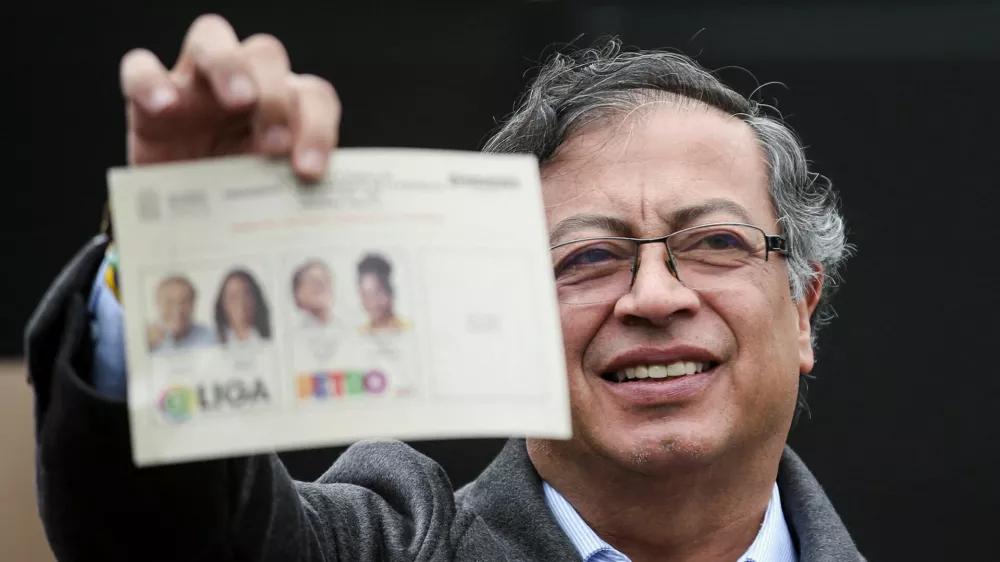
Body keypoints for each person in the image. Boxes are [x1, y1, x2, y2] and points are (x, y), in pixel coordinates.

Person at [25, 14, 864, 562]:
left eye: (713, 243)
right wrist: (178, 261)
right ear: (502, 316)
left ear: (802, 308)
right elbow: (163, 535)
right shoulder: (395, 541)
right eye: (587, 259)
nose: (652, 296)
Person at [145, 274, 216, 352]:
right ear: (157, 303)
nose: (178, 309)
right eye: (170, 302)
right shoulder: (144, 340)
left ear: (193, 304)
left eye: (184, 302)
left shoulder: (211, 338)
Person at [214, 268, 272, 345]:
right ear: (223, 304)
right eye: (233, 297)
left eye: (247, 294)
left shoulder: (271, 338)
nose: (241, 302)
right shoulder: (213, 343)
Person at [356, 253, 409, 334]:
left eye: (376, 293)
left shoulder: (406, 330)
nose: (371, 303)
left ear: (389, 291)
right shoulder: (361, 334)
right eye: (365, 295)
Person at [291, 259, 336, 329]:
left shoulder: (346, 329)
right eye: (313, 281)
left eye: (325, 279)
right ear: (298, 294)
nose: (322, 285)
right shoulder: (295, 334)